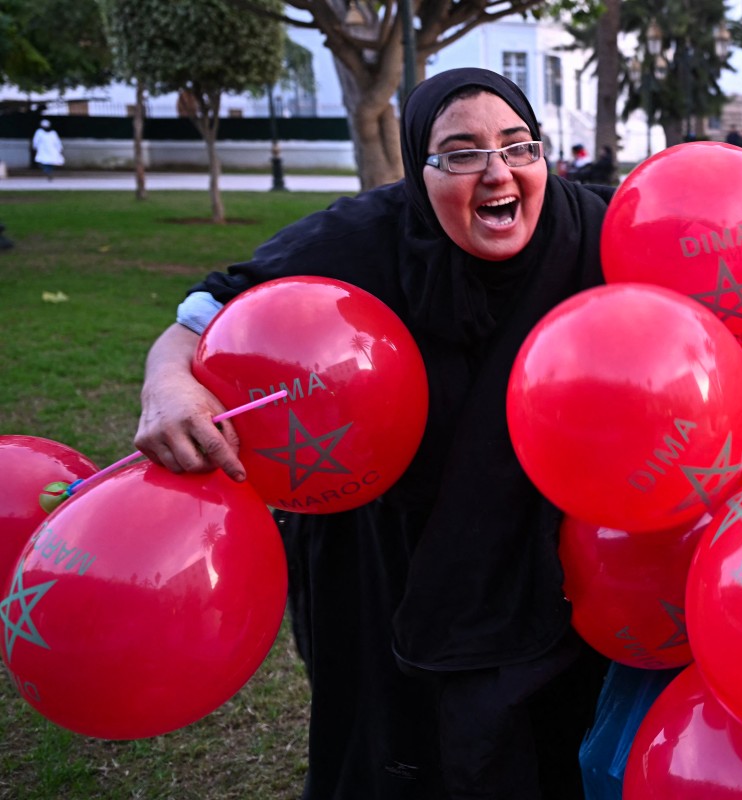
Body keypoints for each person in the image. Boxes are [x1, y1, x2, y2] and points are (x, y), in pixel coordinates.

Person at [134, 68, 614, 800]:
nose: (497, 172)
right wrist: (167, 385)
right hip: (386, 567)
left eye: (519, 146)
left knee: (537, 756)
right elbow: (204, 311)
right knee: (394, 758)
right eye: (461, 153)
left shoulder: (588, 229)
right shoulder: (364, 238)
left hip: (542, 562)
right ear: (419, 167)